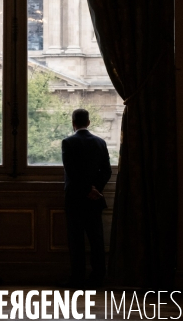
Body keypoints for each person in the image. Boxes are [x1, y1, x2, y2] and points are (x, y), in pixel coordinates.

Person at [62, 108, 112, 288]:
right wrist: (95, 189)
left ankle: (77, 278)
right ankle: (98, 276)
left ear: (73, 123)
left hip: (75, 198)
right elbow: (107, 170)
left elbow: (71, 171)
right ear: (88, 122)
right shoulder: (100, 142)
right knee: (96, 239)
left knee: (76, 241)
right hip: (94, 199)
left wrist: (85, 189)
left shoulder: (68, 142)